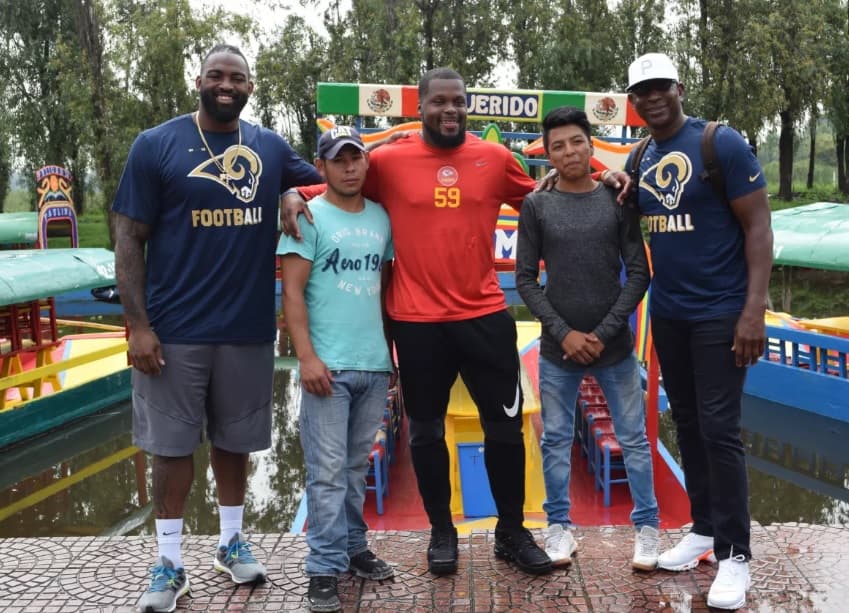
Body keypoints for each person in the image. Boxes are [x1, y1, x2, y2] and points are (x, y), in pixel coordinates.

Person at [283, 68, 627, 576]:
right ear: (419, 108)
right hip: (416, 324)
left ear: (468, 107)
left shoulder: (492, 158)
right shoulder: (389, 161)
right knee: (424, 433)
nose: (450, 110)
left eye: (458, 102)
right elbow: (338, 183)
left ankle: (511, 531)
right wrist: (292, 194)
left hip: (484, 316)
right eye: (439, 102)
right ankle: (441, 530)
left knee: (505, 429)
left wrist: (606, 179)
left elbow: (549, 191)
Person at [112, 44, 322, 613]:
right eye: (216, 76)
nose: (226, 85)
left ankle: (231, 542)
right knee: (170, 448)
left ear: (251, 87)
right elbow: (128, 237)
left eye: (238, 78)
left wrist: (290, 188)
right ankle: (170, 563)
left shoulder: (268, 146)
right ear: (198, 80)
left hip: (246, 327)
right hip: (174, 330)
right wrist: (137, 325)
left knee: (236, 442)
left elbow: (334, 176)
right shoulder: (155, 145)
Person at [625, 53, 773, 610]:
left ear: (678, 88)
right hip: (670, 312)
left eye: (661, 87)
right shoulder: (643, 154)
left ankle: (737, 554)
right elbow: (635, 204)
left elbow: (759, 226)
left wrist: (752, 310)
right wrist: (618, 177)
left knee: (720, 429)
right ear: (633, 102)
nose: (653, 97)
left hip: (720, 312)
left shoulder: (720, 144)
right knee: (685, 420)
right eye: (642, 91)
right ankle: (705, 529)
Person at [515, 107, 660, 570]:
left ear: (590, 144)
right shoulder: (536, 205)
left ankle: (648, 529)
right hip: (559, 352)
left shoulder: (618, 200)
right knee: (555, 440)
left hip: (614, 350)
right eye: (557, 146)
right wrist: (565, 333)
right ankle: (559, 528)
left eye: (576, 141)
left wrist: (601, 331)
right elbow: (525, 279)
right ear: (548, 155)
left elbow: (638, 273)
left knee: (634, 439)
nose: (569, 151)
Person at [278, 126, 395, 612]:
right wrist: (305, 356)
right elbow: (292, 292)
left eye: (356, 158)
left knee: (352, 468)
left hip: (373, 363)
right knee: (326, 471)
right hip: (327, 366)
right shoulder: (308, 216)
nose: (349, 167)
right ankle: (323, 567)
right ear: (321, 166)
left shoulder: (382, 218)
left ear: (366, 163)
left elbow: (385, 290)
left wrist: (391, 356)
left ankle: (352, 547)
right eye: (338, 159)